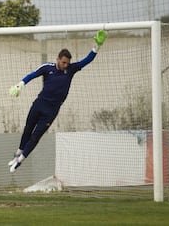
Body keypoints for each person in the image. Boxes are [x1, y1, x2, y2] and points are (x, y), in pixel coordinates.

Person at [8, 30, 107, 173]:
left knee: (36, 135)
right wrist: (20, 85)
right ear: (58, 59)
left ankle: (20, 160)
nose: (66, 65)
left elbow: (87, 60)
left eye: (67, 63)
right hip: (39, 104)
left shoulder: (71, 70)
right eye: (64, 62)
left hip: (51, 110)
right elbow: (32, 75)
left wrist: (97, 46)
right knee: (28, 129)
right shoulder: (47, 68)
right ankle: (17, 154)